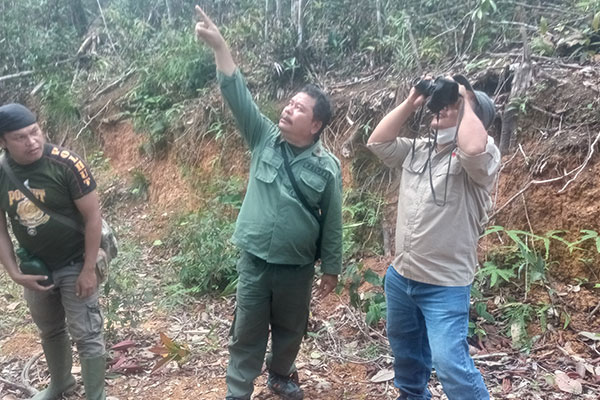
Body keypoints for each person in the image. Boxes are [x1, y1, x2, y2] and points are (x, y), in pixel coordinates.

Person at [193, 6, 343, 400]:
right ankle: (238, 390)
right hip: (255, 259)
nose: (289, 110)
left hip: (296, 268)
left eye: (299, 108)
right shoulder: (263, 137)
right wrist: (221, 47)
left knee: (291, 327)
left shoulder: (327, 168)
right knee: (247, 329)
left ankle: (280, 374)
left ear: (316, 125)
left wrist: (331, 268)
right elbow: (235, 93)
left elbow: (333, 222)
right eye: (289, 103)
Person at [367, 75, 500, 400]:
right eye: (439, 105)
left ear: (473, 115)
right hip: (402, 277)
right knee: (407, 356)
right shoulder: (418, 150)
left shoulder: (482, 156)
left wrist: (465, 100)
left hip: (444, 284)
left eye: (451, 106)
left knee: (450, 363)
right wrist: (413, 100)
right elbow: (378, 142)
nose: (440, 109)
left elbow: (471, 147)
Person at [0, 103, 107, 400]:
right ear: (3, 141)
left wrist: (88, 270)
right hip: (36, 266)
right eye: (20, 137)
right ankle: (60, 383)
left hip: (75, 260)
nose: (32, 141)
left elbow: (93, 217)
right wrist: (14, 271)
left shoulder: (66, 164)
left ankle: (95, 396)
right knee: (50, 330)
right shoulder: (2, 172)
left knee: (87, 334)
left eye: (35, 132)